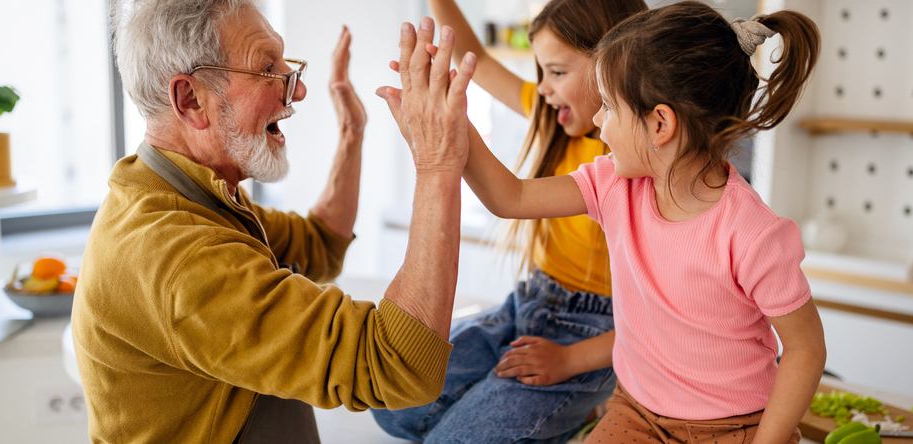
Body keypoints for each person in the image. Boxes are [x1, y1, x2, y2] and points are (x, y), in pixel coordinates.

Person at [380, 2, 828, 444]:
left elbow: (805, 350)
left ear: (660, 125)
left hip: (735, 426)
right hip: (637, 413)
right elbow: (509, 196)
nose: (598, 121)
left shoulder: (752, 233)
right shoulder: (613, 182)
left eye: (610, 107)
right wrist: (448, 123)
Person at [72, 1, 476, 442]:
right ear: (190, 99)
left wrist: (350, 134)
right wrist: (437, 166)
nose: (297, 90)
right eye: (267, 68)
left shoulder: (179, 194)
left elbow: (319, 244)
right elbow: (398, 364)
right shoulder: (180, 256)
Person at [372, 1, 646, 443]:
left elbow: (654, 321)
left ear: (615, 67)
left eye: (557, 72)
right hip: (528, 302)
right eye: (542, 71)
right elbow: (472, 52)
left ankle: (580, 409)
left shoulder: (632, 165)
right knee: (394, 403)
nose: (542, 88)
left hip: (599, 335)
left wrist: (571, 361)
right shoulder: (553, 114)